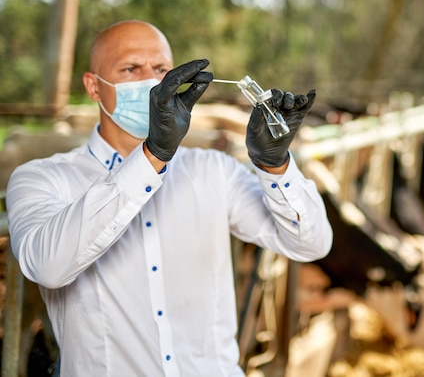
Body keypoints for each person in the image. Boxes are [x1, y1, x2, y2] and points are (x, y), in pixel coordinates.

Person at [6, 20, 333, 376]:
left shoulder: (212, 170)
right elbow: (48, 267)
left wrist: (276, 166)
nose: (151, 81)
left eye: (161, 69)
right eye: (131, 68)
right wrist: (153, 156)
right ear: (94, 87)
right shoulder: (41, 178)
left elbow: (311, 244)